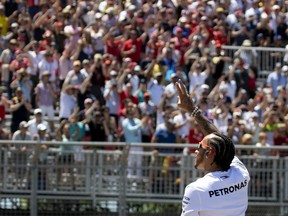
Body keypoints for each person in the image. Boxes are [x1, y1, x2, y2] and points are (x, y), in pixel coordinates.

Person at [176, 80, 250, 216]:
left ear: (209, 153)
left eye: (200, 146)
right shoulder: (240, 173)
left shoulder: (196, 190)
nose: (196, 150)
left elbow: (217, 139)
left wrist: (192, 109)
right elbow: (219, 139)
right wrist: (192, 110)